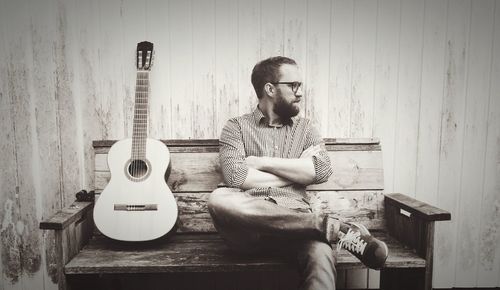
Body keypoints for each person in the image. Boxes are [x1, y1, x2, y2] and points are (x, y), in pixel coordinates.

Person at [208, 56, 388, 290]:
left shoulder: (306, 129)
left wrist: (260, 163)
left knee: (321, 253)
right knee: (218, 199)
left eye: (300, 86)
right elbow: (236, 177)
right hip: (248, 231)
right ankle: (332, 227)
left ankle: (324, 228)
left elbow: (321, 170)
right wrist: (298, 169)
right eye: (293, 85)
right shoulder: (236, 127)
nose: (300, 92)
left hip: (298, 227)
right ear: (270, 89)